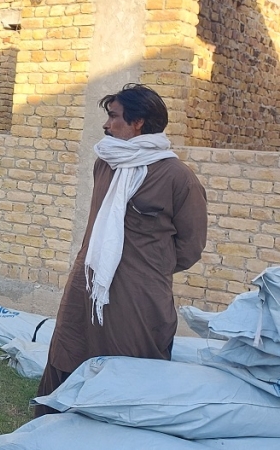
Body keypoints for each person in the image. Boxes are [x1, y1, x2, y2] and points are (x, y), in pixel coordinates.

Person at [34, 83, 207, 415]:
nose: (106, 124)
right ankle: (55, 426)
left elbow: (191, 245)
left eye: (114, 116)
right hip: (88, 284)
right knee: (70, 349)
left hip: (139, 295)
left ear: (138, 122)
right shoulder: (106, 163)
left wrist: (145, 268)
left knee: (131, 367)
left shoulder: (177, 177)